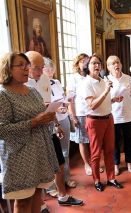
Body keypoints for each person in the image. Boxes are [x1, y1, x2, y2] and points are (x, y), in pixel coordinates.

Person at [0, 52, 59, 213]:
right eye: (21, 65)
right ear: (8, 69)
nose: (27, 69)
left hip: (39, 151)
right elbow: (2, 130)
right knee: (23, 201)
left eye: (27, 65)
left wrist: (48, 116)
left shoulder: (32, 91)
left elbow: (39, 114)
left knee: (37, 196)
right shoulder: (3, 94)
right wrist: (33, 122)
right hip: (19, 156)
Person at [25, 51, 83, 208]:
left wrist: (56, 124)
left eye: (42, 67)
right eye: (37, 68)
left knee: (59, 163)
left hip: (49, 129)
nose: (41, 71)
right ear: (27, 66)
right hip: (33, 134)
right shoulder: (22, 84)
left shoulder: (44, 79)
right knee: (38, 171)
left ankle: (63, 196)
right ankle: (41, 205)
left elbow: (49, 105)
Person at [82, 53, 123, 192]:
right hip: (95, 121)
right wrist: (106, 91)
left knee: (110, 150)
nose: (97, 66)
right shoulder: (86, 83)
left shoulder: (102, 80)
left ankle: (111, 178)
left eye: (98, 63)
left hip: (108, 118)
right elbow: (92, 105)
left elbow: (103, 101)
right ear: (87, 66)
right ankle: (97, 180)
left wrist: (113, 100)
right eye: (93, 63)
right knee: (96, 153)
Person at [43, 57, 77, 188]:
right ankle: (52, 186)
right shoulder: (39, 85)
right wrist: (57, 108)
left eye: (52, 68)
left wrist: (65, 104)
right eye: (47, 68)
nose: (50, 71)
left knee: (65, 152)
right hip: (50, 122)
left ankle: (67, 178)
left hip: (63, 118)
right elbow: (45, 104)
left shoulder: (56, 82)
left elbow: (61, 99)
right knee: (51, 155)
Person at [106, 55, 131, 175]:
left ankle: (129, 162)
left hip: (129, 114)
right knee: (115, 142)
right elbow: (105, 99)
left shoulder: (128, 78)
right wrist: (113, 99)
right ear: (108, 67)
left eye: (117, 62)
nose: (116, 65)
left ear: (121, 64)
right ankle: (116, 164)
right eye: (113, 63)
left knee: (128, 140)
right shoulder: (106, 80)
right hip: (114, 115)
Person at [67, 53, 93, 176]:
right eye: (83, 61)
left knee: (93, 140)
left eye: (87, 61)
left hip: (93, 112)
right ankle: (86, 164)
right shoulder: (73, 78)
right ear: (77, 64)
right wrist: (73, 117)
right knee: (83, 140)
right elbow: (70, 100)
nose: (85, 64)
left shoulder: (90, 76)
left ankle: (94, 163)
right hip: (80, 113)